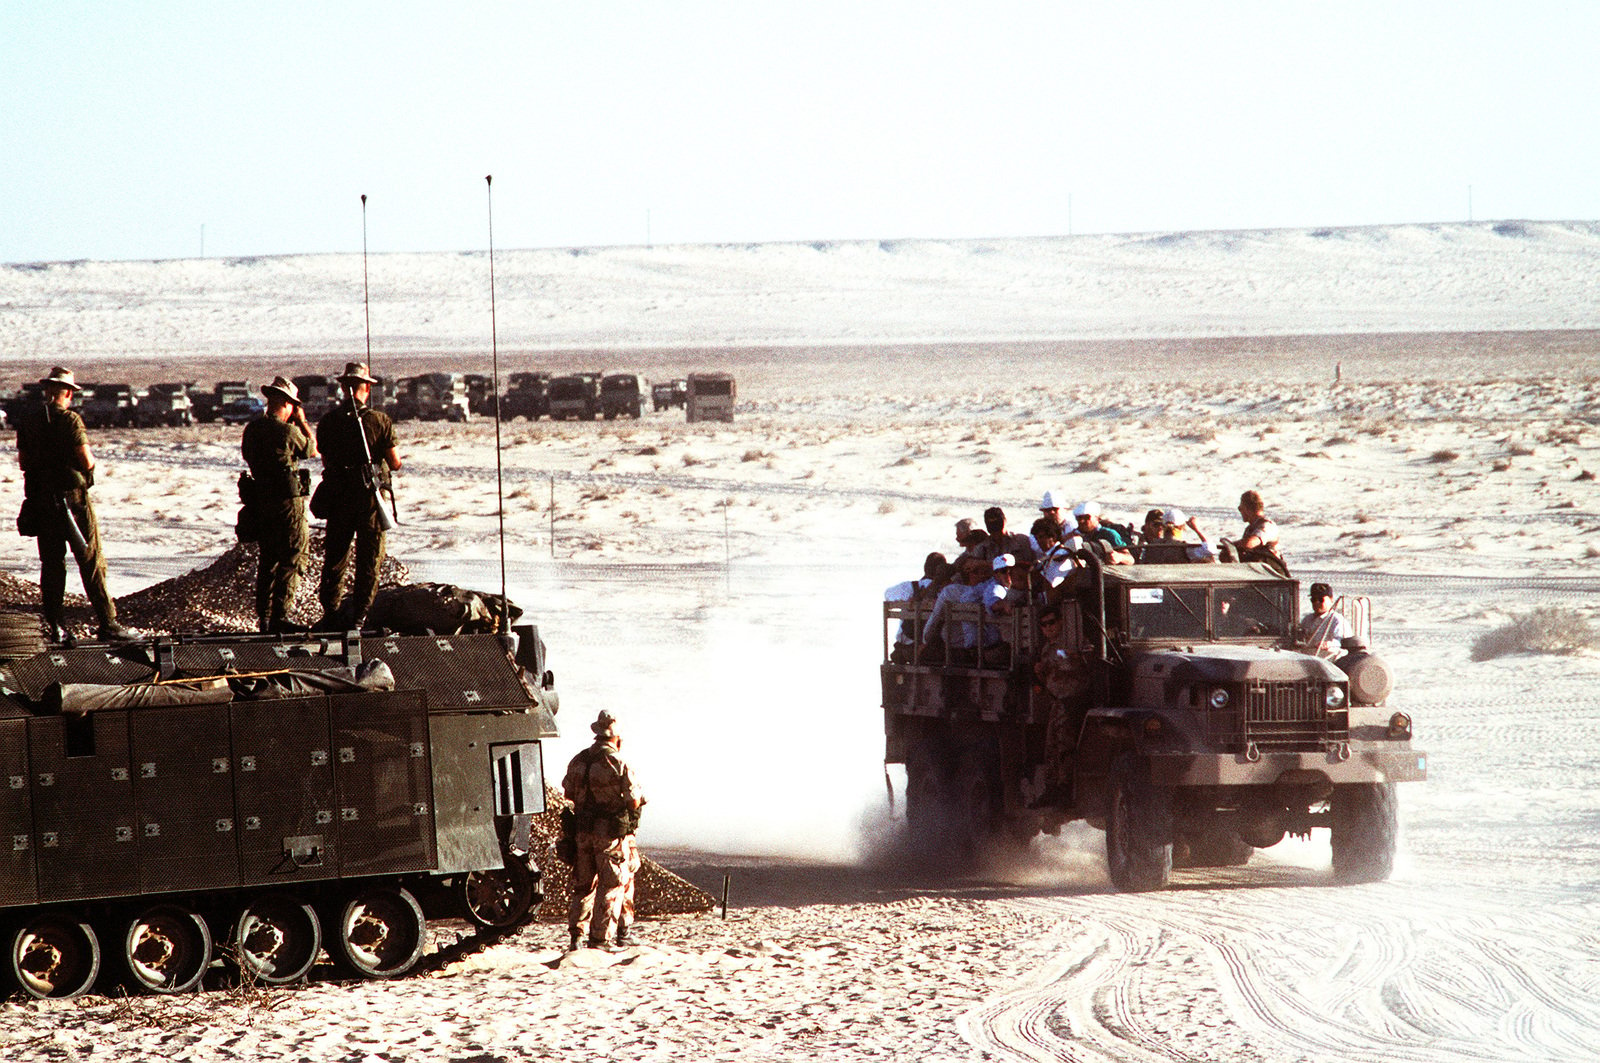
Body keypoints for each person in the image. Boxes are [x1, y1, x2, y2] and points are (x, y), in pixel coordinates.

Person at [13, 367, 131, 644]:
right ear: (67, 393)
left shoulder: (29, 421)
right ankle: (108, 623)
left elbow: (24, 463)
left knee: (52, 564)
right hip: (72, 501)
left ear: (47, 391)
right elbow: (86, 459)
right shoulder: (70, 420)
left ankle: (56, 627)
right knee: (90, 560)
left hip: (42, 500)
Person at [314, 362, 401, 631]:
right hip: (369, 501)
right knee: (370, 561)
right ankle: (360, 617)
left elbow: (326, 461)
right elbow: (395, 462)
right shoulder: (379, 420)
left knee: (335, 558)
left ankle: (331, 613)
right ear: (366, 388)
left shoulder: (328, 422)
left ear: (343, 388)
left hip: (340, 498)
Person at [562, 710, 646, 950]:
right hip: (609, 835)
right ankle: (601, 939)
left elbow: (568, 792)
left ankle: (577, 937)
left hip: (582, 833)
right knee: (612, 885)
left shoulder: (578, 760)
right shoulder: (619, 763)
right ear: (616, 737)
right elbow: (634, 800)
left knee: (583, 886)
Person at [241, 377, 319, 633]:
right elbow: (311, 450)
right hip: (288, 505)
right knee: (294, 556)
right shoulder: (288, 432)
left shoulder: (252, 430)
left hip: (261, 503)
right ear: (287, 403)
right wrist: (302, 421)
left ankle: (263, 617)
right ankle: (280, 616)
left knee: (268, 560)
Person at [885, 553, 949, 663]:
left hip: (907, 648)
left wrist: (908, 600)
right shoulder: (947, 591)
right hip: (933, 648)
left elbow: (888, 594)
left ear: (925, 568)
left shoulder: (911, 587)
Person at [1226, 489, 1286, 574]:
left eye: (1240, 508)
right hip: (1258, 573)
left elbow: (1249, 543)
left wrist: (1231, 546)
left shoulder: (1267, 526)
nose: (1240, 511)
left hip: (1272, 575)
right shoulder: (1250, 528)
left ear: (1247, 508)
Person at [1071, 501, 1134, 565]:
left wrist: (1119, 557)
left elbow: (1130, 559)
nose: (1082, 521)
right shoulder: (1073, 535)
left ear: (1097, 518)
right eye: (1079, 518)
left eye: (1087, 517)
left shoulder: (1109, 534)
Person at [1300, 582, 1351, 656]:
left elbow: (1341, 643)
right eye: (1313, 599)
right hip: (1309, 661)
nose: (1317, 603)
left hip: (1331, 662)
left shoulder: (1337, 621)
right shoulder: (1307, 620)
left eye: (1321, 600)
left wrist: (1328, 645)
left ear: (1331, 600)